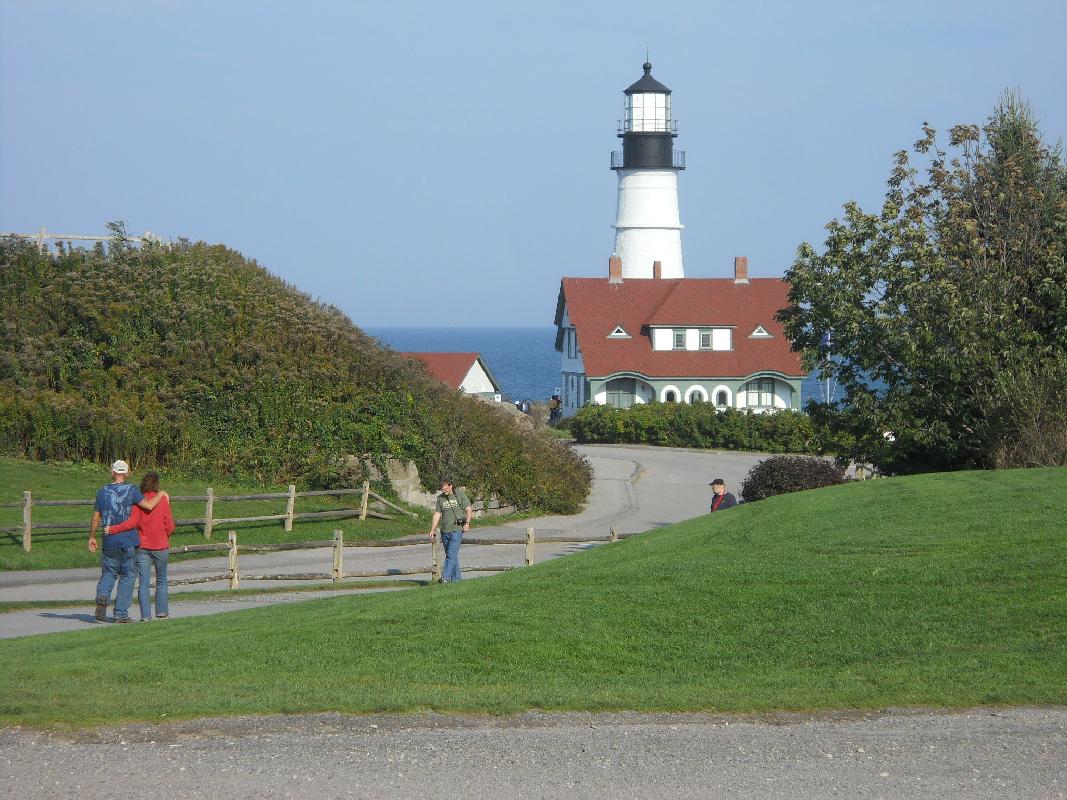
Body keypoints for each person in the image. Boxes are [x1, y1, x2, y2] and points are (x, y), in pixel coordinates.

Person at [87, 460, 167, 623]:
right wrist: (161, 494)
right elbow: (149, 506)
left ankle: (103, 596)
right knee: (128, 576)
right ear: (127, 473)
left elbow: (96, 517)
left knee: (109, 573)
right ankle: (120, 614)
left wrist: (92, 536)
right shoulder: (132, 490)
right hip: (128, 541)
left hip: (109, 540)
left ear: (112, 472)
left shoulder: (102, 492)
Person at [105, 471, 175, 621]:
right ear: (157, 485)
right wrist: (166, 535)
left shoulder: (138, 502)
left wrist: (112, 529)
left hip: (142, 546)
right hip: (161, 545)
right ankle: (162, 613)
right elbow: (169, 524)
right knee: (161, 579)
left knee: (144, 582)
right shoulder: (162, 500)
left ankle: (145, 616)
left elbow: (132, 523)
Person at [428, 478, 472, 583]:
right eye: (442, 489)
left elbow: (468, 509)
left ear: (451, 486)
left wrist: (467, 523)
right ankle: (457, 580)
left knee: (451, 554)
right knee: (451, 555)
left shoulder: (459, 495)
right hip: (444, 530)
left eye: (445, 488)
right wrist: (432, 529)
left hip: (456, 529)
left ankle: (445, 577)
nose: (444, 491)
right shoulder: (440, 499)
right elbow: (437, 514)